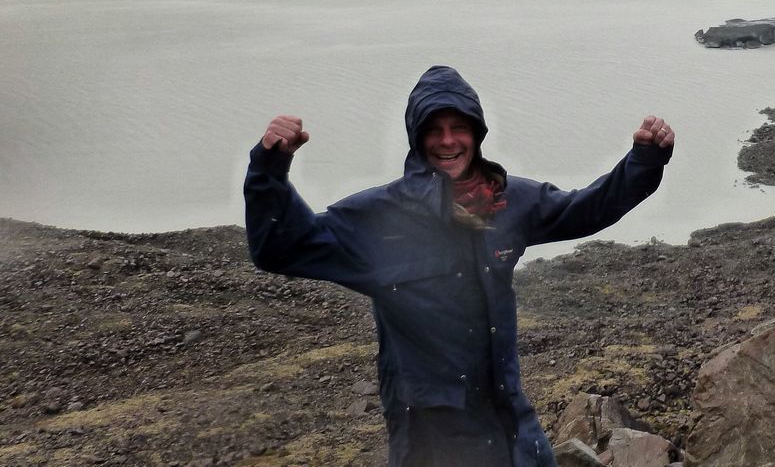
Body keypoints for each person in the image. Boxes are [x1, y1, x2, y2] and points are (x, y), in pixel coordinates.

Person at [244, 65, 675, 467]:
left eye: (459, 128)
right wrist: (270, 167)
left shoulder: (507, 200)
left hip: (510, 420)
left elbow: (586, 209)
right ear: (416, 138)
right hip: (432, 435)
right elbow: (280, 248)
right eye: (434, 130)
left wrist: (643, 160)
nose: (448, 141)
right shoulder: (378, 217)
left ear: (476, 133)